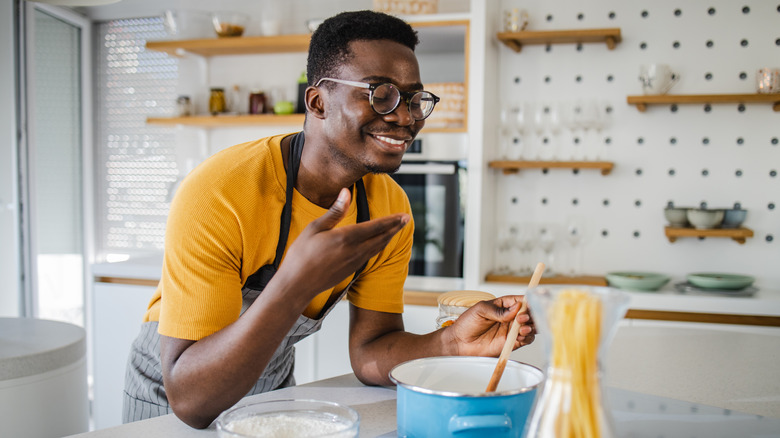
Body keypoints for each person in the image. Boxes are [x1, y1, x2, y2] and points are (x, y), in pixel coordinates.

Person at [123, 10, 535, 429]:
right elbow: (192, 402)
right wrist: (295, 283)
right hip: (170, 391)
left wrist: (452, 343)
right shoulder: (220, 192)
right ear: (318, 102)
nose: (406, 118)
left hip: (272, 388)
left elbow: (372, 351)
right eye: (381, 94)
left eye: (414, 100)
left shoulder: (388, 207)